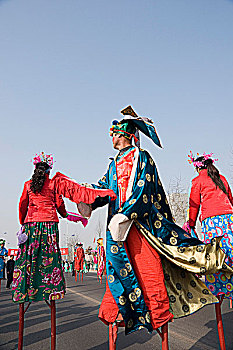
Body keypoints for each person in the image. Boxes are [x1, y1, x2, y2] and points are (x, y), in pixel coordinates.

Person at [79, 106, 233, 336]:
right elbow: (104, 189)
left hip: (141, 226)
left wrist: (127, 213)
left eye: (114, 132)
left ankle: (157, 314)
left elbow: (145, 189)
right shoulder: (113, 164)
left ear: (126, 134)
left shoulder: (142, 157)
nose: (111, 136)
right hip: (117, 230)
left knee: (148, 270)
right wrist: (86, 197)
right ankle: (120, 313)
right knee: (118, 271)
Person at [188, 152, 233, 298]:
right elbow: (230, 199)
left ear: (197, 168)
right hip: (230, 220)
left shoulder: (198, 181)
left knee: (215, 260)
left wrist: (191, 224)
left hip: (212, 223)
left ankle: (218, 292)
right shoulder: (222, 179)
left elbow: (193, 205)